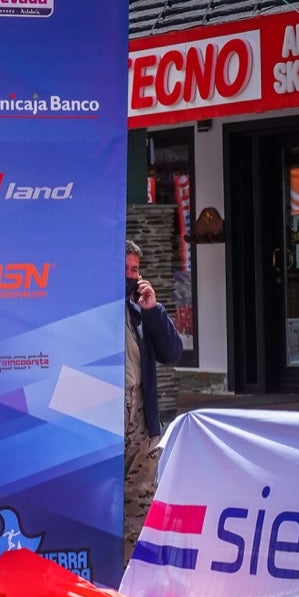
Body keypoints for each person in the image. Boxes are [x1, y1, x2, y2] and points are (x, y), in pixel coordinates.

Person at [123, 239, 185, 561]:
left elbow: (173, 353)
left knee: (141, 505)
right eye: (126, 270)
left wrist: (153, 310)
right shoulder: (99, 310)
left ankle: (132, 581)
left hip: (141, 417)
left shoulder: (140, 311)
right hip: (107, 417)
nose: (133, 276)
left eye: (136, 270)